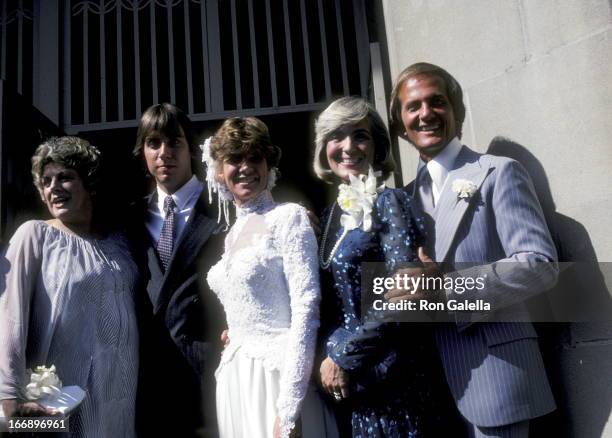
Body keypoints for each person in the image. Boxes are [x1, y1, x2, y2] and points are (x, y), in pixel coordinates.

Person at [387, 62, 559, 437]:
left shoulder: (498, 172)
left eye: (437, 102)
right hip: (427, 387)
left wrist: (449, 290)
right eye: (413, 106)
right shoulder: (400, 201)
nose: (425, 113)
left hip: (495, 375)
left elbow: (539, 264)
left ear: (456, 111)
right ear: (401, 124)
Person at [313, 96, 454, 437]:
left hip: (396, 383)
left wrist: (344, 356)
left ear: (376, 146)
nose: (349, 147)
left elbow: (405, 299)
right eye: (337, 136)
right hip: (358, 389)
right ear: (323, 147)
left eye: (360, 136)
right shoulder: (328, 214)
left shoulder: (389, 201)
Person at [205, 117, 337, 438]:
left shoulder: (288, 218)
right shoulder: (232, 234)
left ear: (268, 164)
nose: (245, 167)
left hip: (277, 376)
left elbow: (306, 308)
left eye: (255, 157)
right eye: (235, 159)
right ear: (220, 171)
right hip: (238, 380)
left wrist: (289, 408)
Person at [0, 136, 139, 436]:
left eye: (65, 178)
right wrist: (8, 400)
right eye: (46, 181)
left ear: (89, 183)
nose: (53, 188)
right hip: (59, 402)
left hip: (119, 399)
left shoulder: (120, 245)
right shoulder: (34, 236)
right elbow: (10, 319)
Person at [129, 103, 224, 438]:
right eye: (154, 143)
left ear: (191, 149)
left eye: (174, 142)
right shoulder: (128, 219)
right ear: (142, 152)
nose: (164, 153)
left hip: (209, 376)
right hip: (151, 382)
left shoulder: (225, 208)